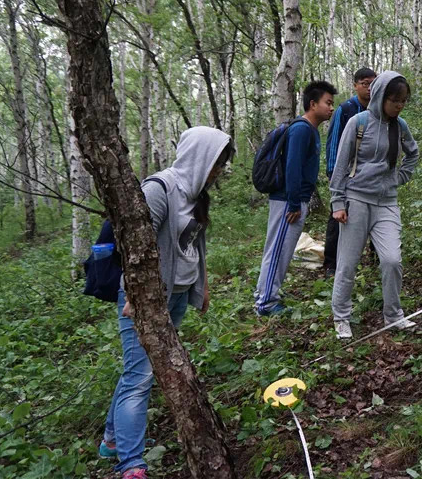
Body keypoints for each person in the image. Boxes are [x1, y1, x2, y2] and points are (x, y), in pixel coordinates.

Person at [100, 127, 234, 479]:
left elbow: (195, 243)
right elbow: (134, 246)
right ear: (200, 157)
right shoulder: (159, 189)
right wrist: (133, 296)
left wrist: (201, 287)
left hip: (175, 294)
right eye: (216, 163)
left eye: (220, 165)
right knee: (141, 376)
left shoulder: (196, 193)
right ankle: (131, 463)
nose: (218, 172)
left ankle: (112, 439)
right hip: (145, 300)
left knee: (137, 369)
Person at [329, 72, 419, 339]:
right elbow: (341, 163)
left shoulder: (400, 126)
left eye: (403, 101)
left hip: (387, 202)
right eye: (394, 100)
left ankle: (394, 316)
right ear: (381, 97)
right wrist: (337, 201)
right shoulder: (359, 122)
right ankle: (341, 317)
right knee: (348, 262)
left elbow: (413, 153)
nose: (399, 106)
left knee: (392, 260)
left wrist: (400, 177)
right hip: (356, 200)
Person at [254, 81, 337, 316]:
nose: (331, 108)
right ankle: (266, 303)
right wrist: (293, 202)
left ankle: (267, 293)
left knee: (280, 249)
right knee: (278, 249)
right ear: (313, 104)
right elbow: (292, 167)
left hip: (293, 200)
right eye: (327, 103)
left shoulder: (308, 129)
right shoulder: (301, 129)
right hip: (287, 201)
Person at [323, 67, 376, 278]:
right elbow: (333, 142)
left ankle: (375, 257)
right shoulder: (345, 110)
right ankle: (331, 265)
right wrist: (334, 174)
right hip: (344, 175)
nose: (369, 88)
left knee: (373, 214)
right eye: (365, 83)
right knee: (337, 217)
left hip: (368, 177)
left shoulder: (378, 110)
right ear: (355, 85)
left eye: (373, 83)